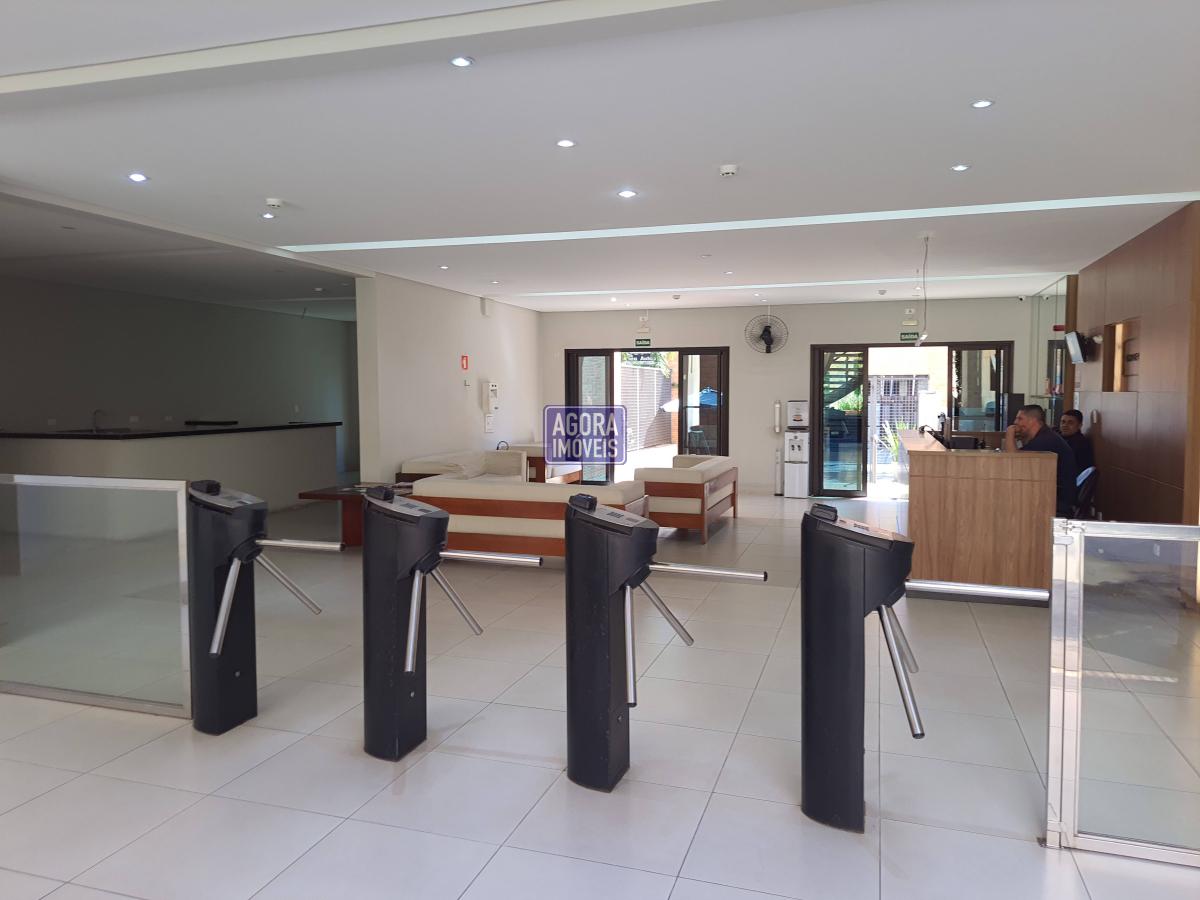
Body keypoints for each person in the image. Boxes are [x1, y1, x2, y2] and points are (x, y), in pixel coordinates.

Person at [1004, 404, 1078, 517]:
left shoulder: (1045, 440)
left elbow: (1014, 463)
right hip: (1053, 493)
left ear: (1032, 421)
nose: (1015, 422)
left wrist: (1009, 433)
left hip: (1057, 500)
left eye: (1020, 419)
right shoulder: (1045, 435)